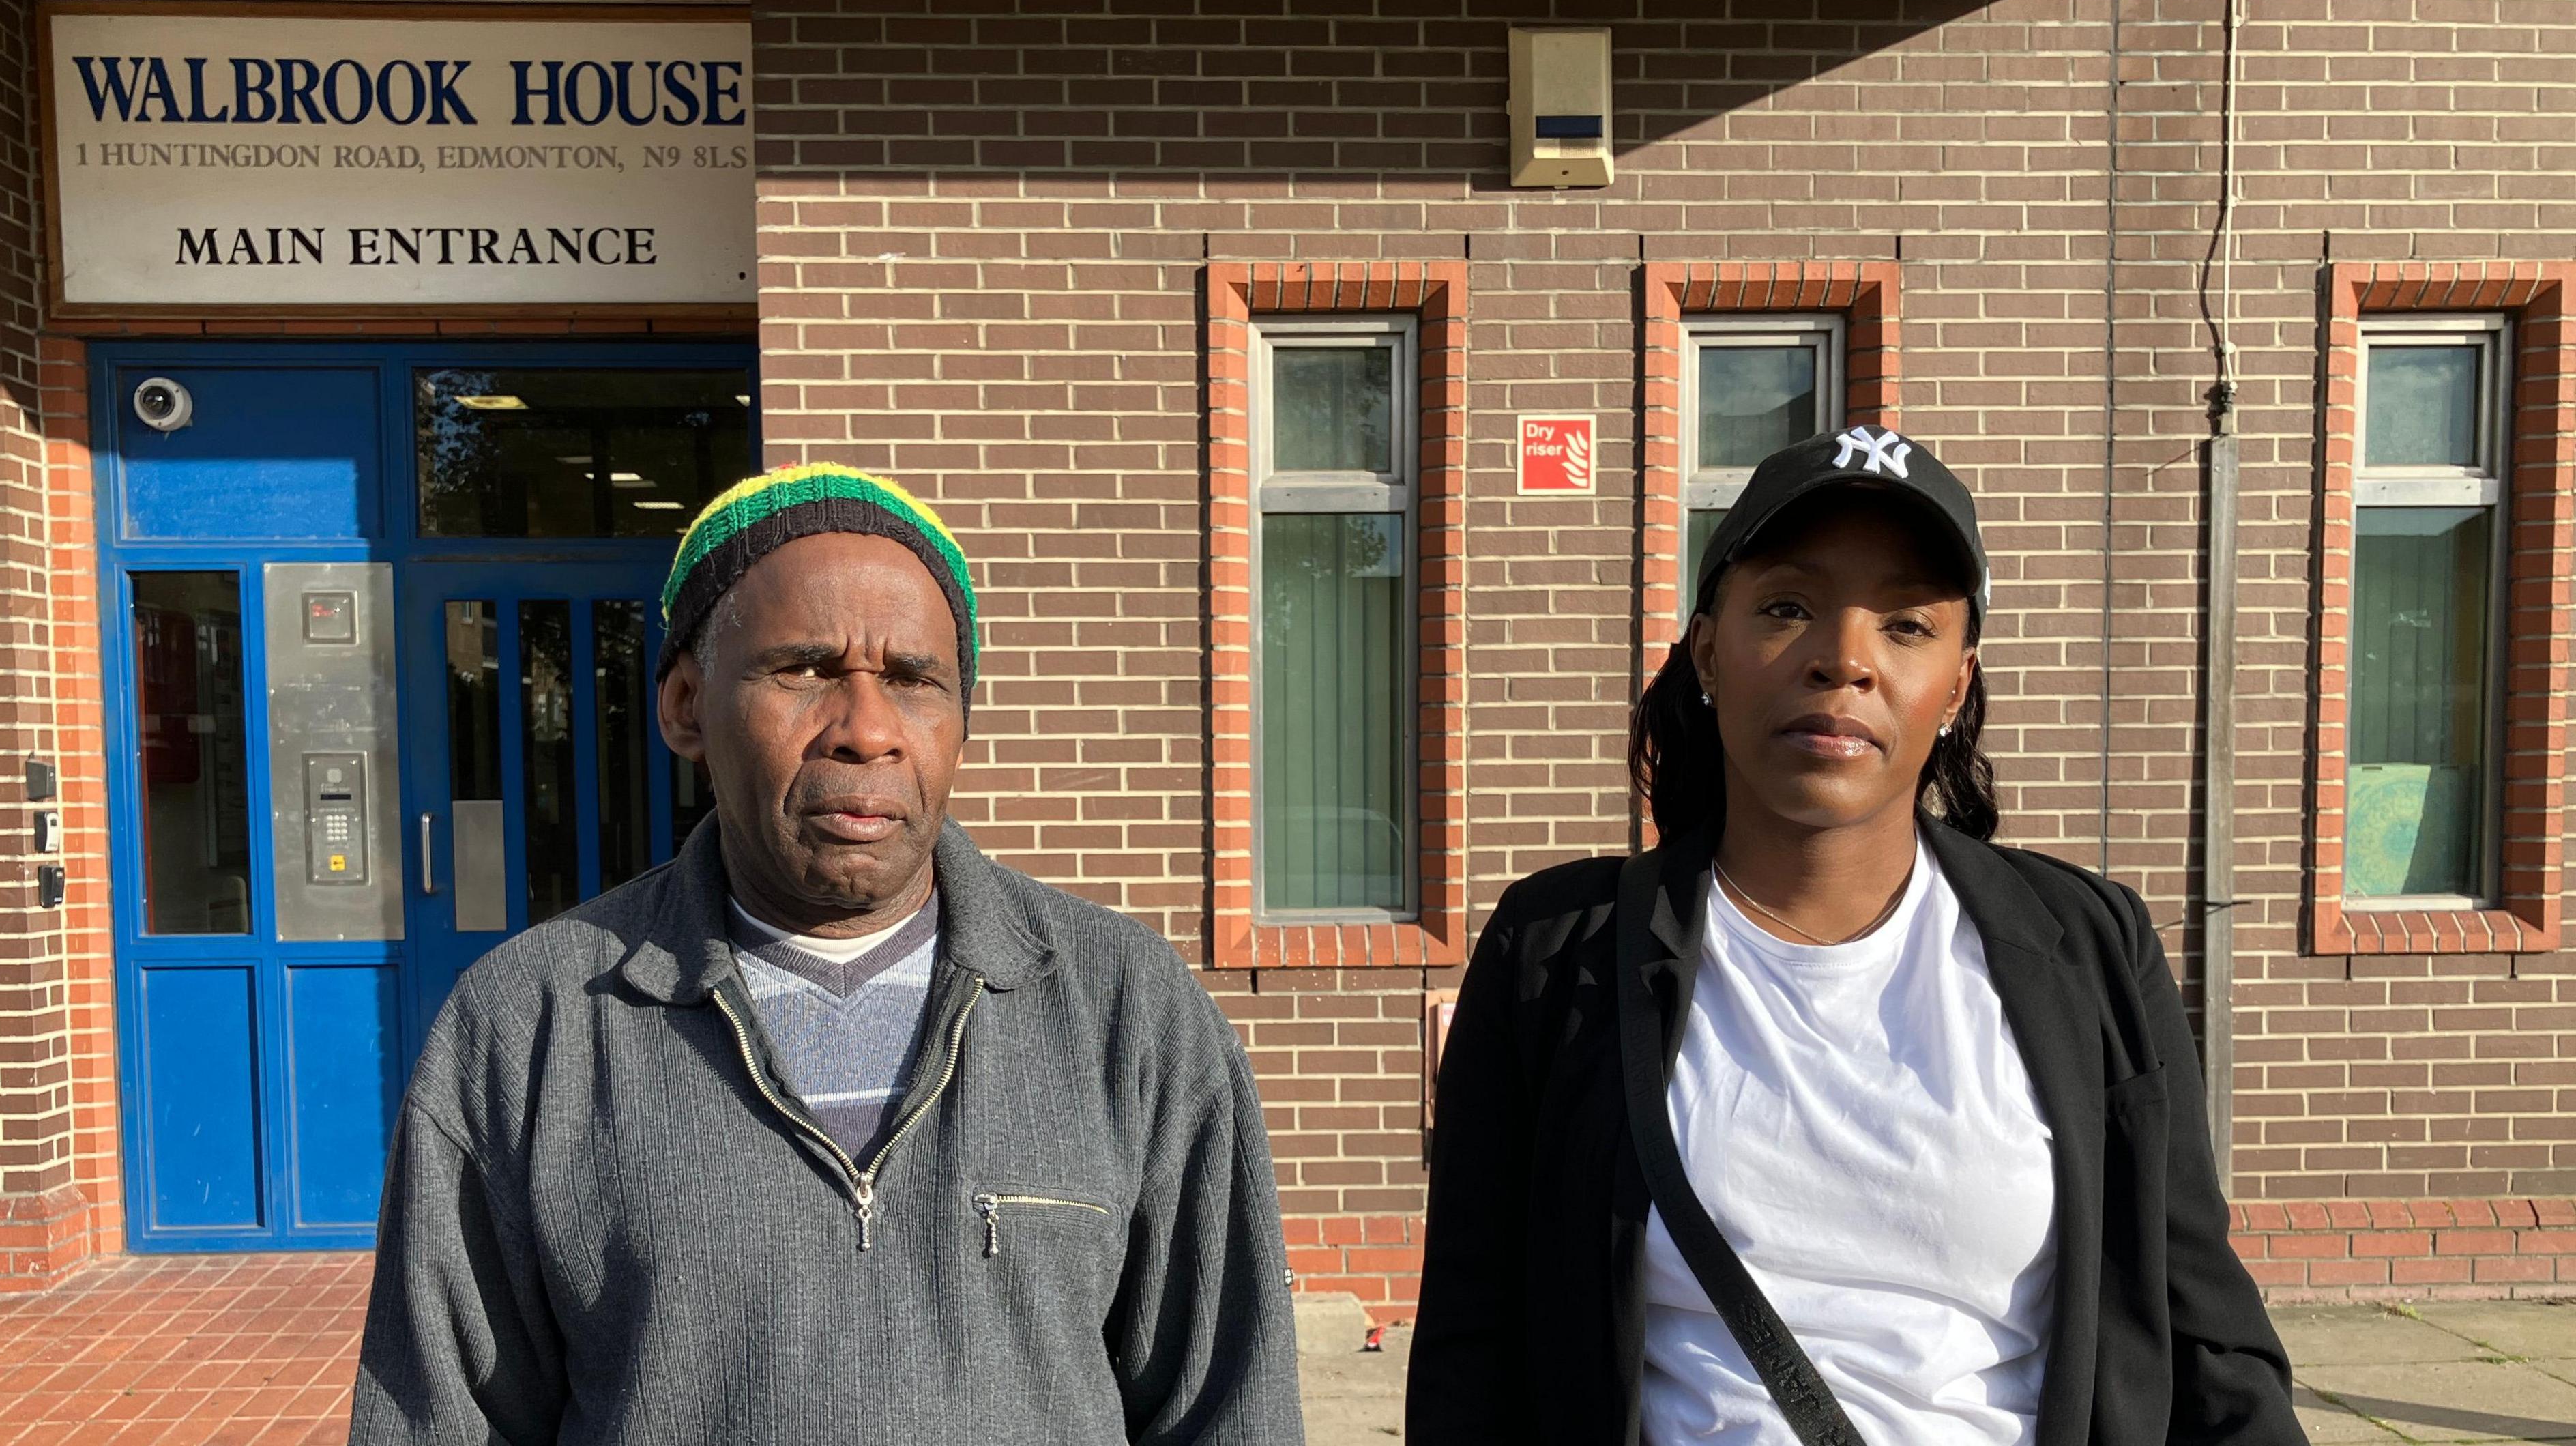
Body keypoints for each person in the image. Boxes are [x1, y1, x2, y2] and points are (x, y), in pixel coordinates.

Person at [351, 463, 1303, 1445]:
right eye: (804, 670)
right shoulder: (526, 1027)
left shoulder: (1128, 1014)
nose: (868, 731)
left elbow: (1233, 1411)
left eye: (913, 680)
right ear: (686, 706)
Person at [1407, 429, 2303, 1445]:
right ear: (1709, 650)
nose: (1844, 659)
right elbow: (1469, 1356)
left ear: (1958, 685)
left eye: (1907, 625)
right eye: (1788, 607)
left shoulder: (2091, 950)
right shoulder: (1555, 953)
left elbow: (2208, 1341)